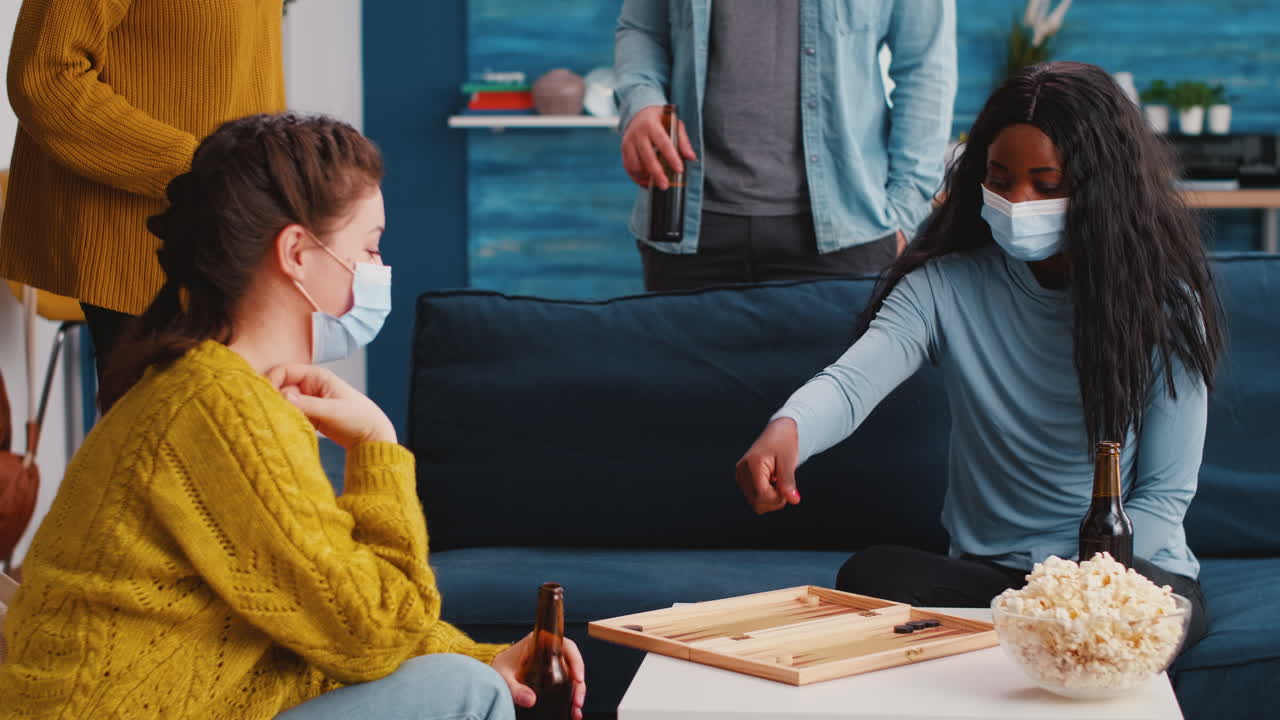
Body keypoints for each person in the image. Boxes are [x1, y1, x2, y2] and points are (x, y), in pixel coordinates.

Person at [0, 114, 587, 720]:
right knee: (468, 693)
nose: (378, 269)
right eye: (370, 247)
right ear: (298, 253)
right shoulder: (221, 407)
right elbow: (370, 635)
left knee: (466, 675)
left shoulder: (207, 388)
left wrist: (480, 654)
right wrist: (377, 449)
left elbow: (315, 608)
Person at [733, 62, 1222, 652]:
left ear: (1100, 188)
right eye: (1000, 177)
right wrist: (788, 429)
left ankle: (1035, 642)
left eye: (1045, 185)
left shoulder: (1164, 305)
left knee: (1142, 624)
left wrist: (1072, 593)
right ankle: (1031, 642)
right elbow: (850, 383)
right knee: (869, 575)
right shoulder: (943, 287)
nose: (1017, 202)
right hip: (993, 582)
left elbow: (1164, 499)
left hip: (1121, 577)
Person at [0, 0, 287, 379]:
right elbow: (45, 78)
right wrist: (201, 167)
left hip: (240, 230)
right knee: (170, 431)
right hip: (143, 247)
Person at [614, 0, 956, 291]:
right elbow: (642, 29)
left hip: (850, 230)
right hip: (689, 226)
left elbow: (925, 66)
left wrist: (905, 211)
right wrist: (642, 102)